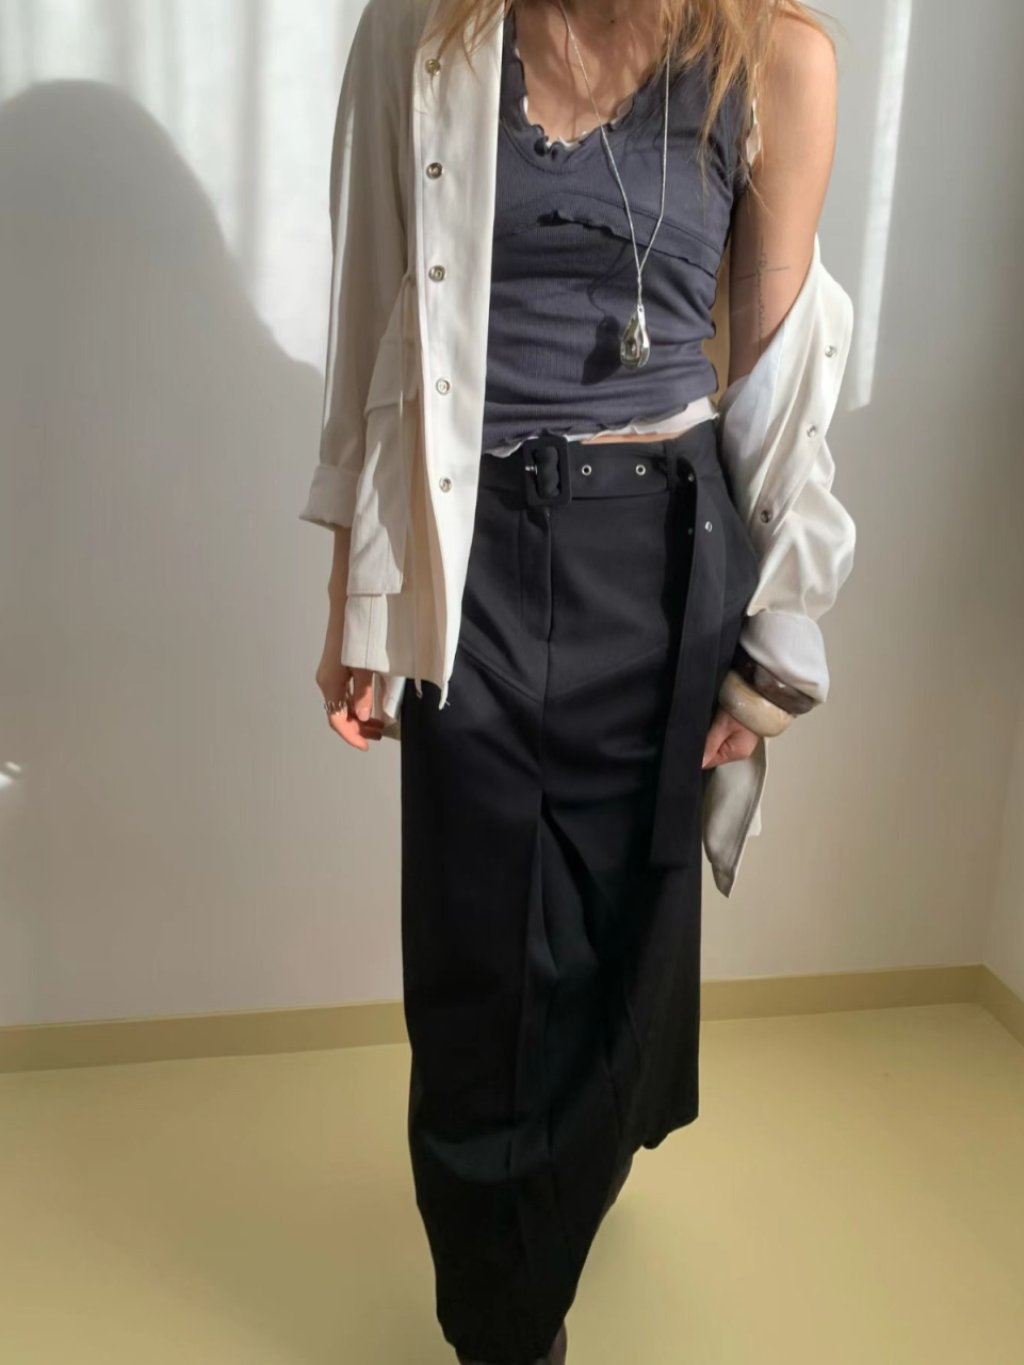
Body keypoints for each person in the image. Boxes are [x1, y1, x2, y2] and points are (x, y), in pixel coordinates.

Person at [299, 1, 855, 1361]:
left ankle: (565, 1191)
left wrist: (778, 644)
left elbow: (779, 372)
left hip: (663, 552)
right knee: (477, 958)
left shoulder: (775, 59)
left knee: (624, 947)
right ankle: (506, 1326)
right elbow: (373, 316)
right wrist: (356, 593)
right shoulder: (422, 32)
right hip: (469, 549)